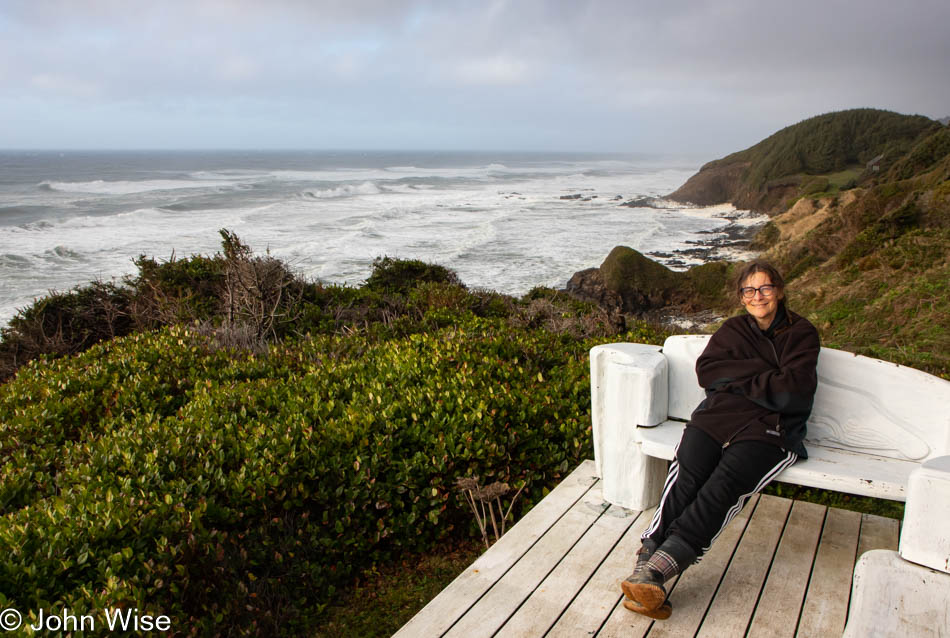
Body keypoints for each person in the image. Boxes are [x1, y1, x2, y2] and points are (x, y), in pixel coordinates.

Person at [621, 260, 820, 620]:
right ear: (741, 298)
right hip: (719, 416)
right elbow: (708, 372)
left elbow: (795, 392)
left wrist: (738, 379)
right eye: (749, 290)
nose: (757, 296)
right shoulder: (732, 329)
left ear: (780, 291)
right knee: (687, 472)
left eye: (765, 288)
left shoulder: (802, 333)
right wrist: (766, 378)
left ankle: (653, 571)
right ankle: (648, 566)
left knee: (723, 484)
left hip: (770, 428)